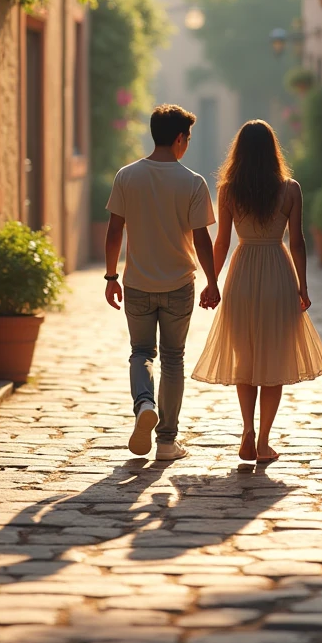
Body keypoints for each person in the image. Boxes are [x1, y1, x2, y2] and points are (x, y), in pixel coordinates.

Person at [192, 119, 322, 463]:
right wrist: (303, 285)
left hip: (241, 274)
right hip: (277, 274)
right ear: (273, 151)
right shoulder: (290, 189)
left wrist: (212, 280)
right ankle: (265, 441)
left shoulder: (228, 190)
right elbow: (297, 242)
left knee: (245, 358)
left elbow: (222, 241)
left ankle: (247, 432)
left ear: (238, 151)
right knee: (274, 358)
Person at [105, 104, 220, 461]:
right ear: (179, 139)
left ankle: (144, 406)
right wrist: (212, 281)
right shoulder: (193, 182)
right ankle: (167, 442)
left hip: (137, 282)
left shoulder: (127, 176)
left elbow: (114, 232)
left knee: (141, 353)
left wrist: (111, 276)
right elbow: (202, 239)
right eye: (187, 137)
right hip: (178, 285)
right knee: (172, 359)